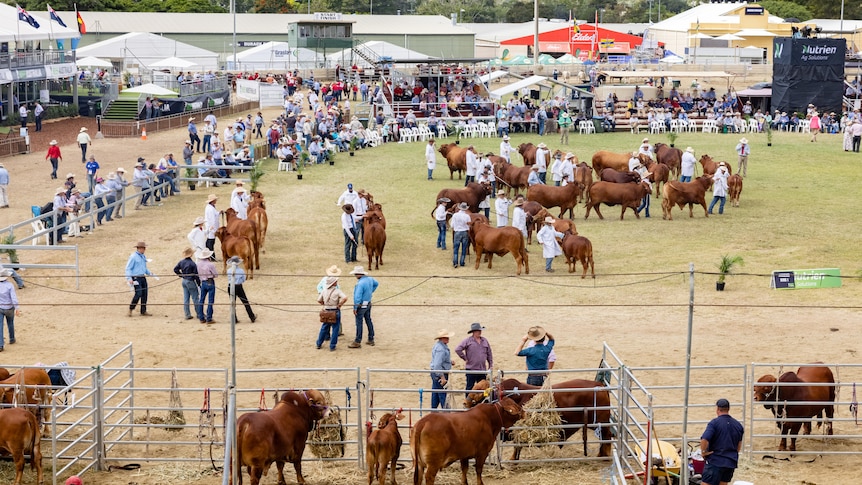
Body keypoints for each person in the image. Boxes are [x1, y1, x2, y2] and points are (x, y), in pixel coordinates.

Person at [700, 398, 744, 485]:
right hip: (730, 462)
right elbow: (738, 446)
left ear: (717, 409)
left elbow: (704, 439)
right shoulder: (738, 425)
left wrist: (704, 452)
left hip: (715, 461)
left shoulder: (714, 423)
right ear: (728, 409)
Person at [455, 322, 493, 392]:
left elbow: (489, 353)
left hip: (482, 369)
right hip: (471, 369)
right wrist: (465, 358)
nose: (480, 332)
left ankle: (482, 402)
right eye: (478, 331)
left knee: (483, 388)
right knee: (470, 387)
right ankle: (467, 401)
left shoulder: (485, 340)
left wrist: (490, 365)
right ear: (473, 332)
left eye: (480, 330)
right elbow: (458, 349)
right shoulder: (468, 341)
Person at [348, 265, 378, 348]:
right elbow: (376, 284)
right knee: (368, 320)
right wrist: (370, 292)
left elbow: (357, 297)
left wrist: (355, 307)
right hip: (368, 302)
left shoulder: (360, 284)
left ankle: (357, 341)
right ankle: (371, 338)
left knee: (359, 323)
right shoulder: (369, 279)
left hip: (361, 305)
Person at [316, 270, 347, 351]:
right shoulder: (337, 291)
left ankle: (319, 343)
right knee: (335, 328)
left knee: (324, 327)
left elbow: (319, 300)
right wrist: (339, 304)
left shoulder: (324, 290)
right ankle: (332, 346)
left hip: (326, 310)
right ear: (333, 283)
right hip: (335, 311)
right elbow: (345, 298)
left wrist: (324, 304)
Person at [173, 248, 203, 321]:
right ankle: (199, 314)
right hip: (190, 281)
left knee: (186, 298)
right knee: (195, 298)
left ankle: (187, 314)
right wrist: (199, 284)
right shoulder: (192, 264)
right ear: (191, 254)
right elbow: (196, 275)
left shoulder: (181, 262)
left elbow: (175, 269)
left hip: (184, 280)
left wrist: (181, 275)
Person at [125, 241, 154, 317]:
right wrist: (129, 278)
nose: (144, 250)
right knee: (138, 293)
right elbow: (128, 268)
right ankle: (131, 308)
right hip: (136, 278)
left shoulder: (143, 256)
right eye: (143, 248)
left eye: (144, 248)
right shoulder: (133, 257)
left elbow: (144, 268)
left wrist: (149, 273)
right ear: (139, 248)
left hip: (142, 277)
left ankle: (143, 310)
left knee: (145, 294)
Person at [430, 329, 456, 409]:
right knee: (442, 395)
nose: (448, 338)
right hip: (440, 374)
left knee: (436, 393)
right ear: (442, 338)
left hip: (435, 373)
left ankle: (433, 411)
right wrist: (442, 377)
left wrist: (449, 361)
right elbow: (437, 364)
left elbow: (438, 361)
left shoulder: (439, 346)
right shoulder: (441, 349)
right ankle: (446, 413)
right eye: (446, 337)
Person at [227, 256, 257, 323]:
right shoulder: (241, 271)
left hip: (230, 286)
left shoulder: (229, 270)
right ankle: (251, 316)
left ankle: (234, 318)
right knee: (245, 302)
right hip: (238, 286)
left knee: (232, 303)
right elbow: (243, 279)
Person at [0, 269, 20, 350]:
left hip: (0, 307)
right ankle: (12, 338)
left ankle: (0, 345)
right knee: (10, 323)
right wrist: (17, 308)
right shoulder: (10, 285)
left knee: (0, 326)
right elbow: (13, 298)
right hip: (9, 308)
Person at [196, 249, 217, 324]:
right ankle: (209, 318)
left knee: (201, 300)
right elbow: (215, 274)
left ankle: (201, 317)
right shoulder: (210, 264)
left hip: (203, 282)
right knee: (210, 301)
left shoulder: (198, 264)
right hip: (210, 281)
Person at [449, 202, 471, 268]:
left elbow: (452, 225)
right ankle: (462, 262)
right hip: (464, 232)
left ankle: (455, 262)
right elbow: (469, 225)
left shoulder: (455, 215)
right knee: (464, 248)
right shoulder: (467, 216)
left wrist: (454, 228)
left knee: (456, 248)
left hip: (457, 232)